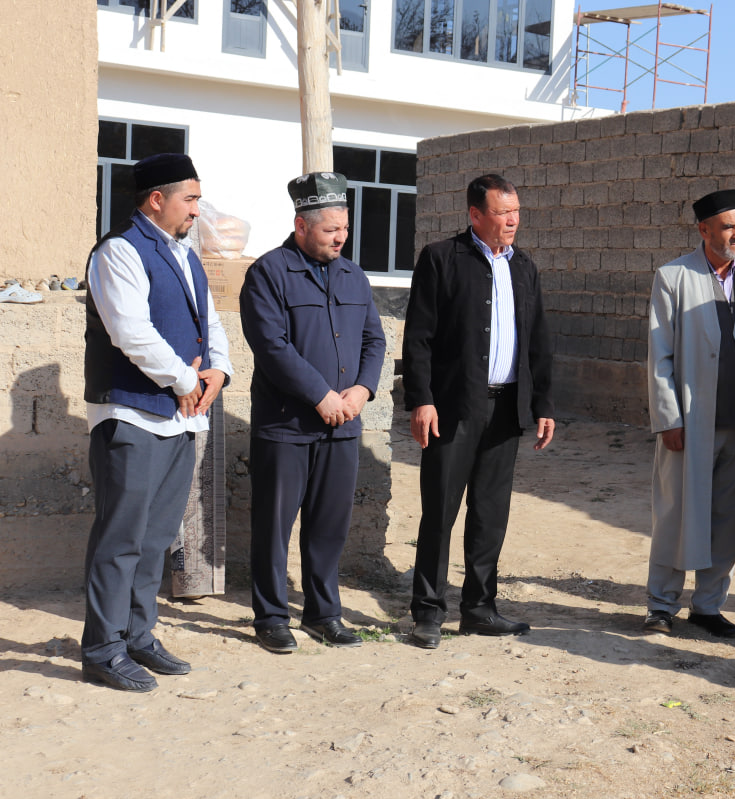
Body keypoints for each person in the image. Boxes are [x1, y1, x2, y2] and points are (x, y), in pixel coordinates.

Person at [82, 152, 233, 691]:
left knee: (156, 538)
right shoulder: (119, 250)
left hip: (179, 419)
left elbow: (210, 323)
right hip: (130, 415)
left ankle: (137, 636)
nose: (196, 210)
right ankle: (102, 649)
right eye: (190, 199)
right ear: (155, 200)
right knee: (120, 538)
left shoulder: (185, 255)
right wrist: (185, 379)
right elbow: (131, 331)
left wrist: (219, 372)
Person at [401, 174, 554, 650]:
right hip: (452, 408)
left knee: (490, 513)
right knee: (440, 512)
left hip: (506, 408)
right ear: (475, 214)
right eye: (502, 213)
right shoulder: (441, 259)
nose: (512, 221)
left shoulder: (524, 267)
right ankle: (428, 612)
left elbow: (538, 341)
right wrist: (421, 399)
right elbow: (419, 337)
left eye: (516, 212)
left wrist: (543, 403)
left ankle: (479, 608)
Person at [239, 172, 386, 653]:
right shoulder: (269, 273)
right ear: (301, 226)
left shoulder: (353, 275)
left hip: (342, 427)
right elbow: (271, 346)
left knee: (328, 527)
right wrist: (321, 395)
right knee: (274, 528)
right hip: (287, 425)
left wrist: (362, 390)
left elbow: (373, 339)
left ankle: (324, 615)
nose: (340, 238)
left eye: (345, 229)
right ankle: (271, 618)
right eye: (330, 230)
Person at [644, 189, 735, 639]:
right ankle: (661, 605)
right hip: (691, 423)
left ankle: (708, 606)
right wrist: (668, 418)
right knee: (676, 515)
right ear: (704, 230)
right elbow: (659, 354)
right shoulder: (673, 276)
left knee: (728, 518)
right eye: (728, 227)